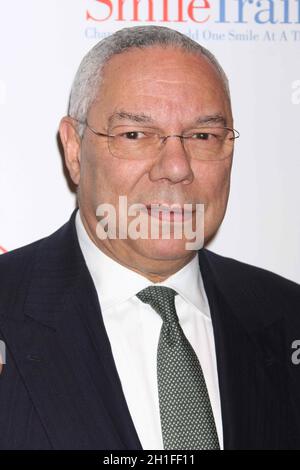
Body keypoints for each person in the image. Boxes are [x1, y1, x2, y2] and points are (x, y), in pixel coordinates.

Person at [0, 25, 299, 451]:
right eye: (136, 135)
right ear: (73, 149)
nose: (176, 167)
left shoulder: (288, 315)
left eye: (202, 136)